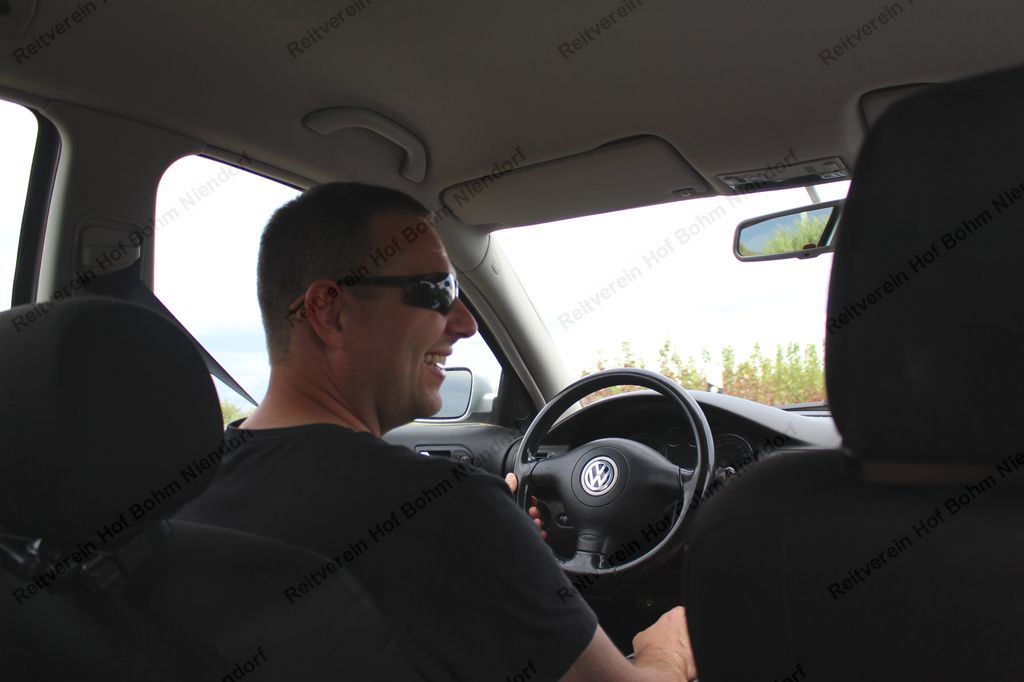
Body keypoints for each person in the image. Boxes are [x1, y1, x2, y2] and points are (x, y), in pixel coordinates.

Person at [177, 182, 698, 681]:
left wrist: (508, 558)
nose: (465, 323)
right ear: (330, 311)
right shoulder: (450, 512)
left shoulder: (186, 485)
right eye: (436, 290)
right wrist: (666, 652)